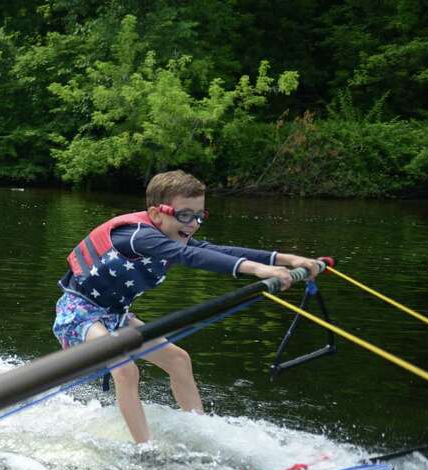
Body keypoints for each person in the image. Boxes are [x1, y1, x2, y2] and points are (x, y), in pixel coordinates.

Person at [51, 170, 321, 444]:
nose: (193, 224)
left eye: (199, 216)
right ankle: (145, 449)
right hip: (78, 313)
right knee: (125, 368)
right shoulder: (137, 237)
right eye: (184, 215)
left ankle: (202, 436)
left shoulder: (171, 237)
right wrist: (259, 270)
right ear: (156, 214)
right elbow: (188, 256)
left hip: (117, 317)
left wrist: (287, 259)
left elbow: (218, 251)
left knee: (179, 360)